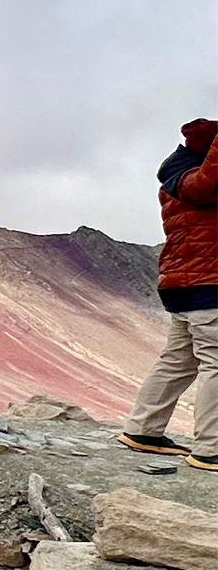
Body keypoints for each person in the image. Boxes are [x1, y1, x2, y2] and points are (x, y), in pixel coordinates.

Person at [118, 118, 218, 472]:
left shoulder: (177, 181)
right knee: (215, 363)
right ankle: (211, 448)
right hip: (209, 284)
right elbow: (208, 184)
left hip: (184, 285)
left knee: (178, 361)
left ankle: (143, 429)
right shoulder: (196, 181)